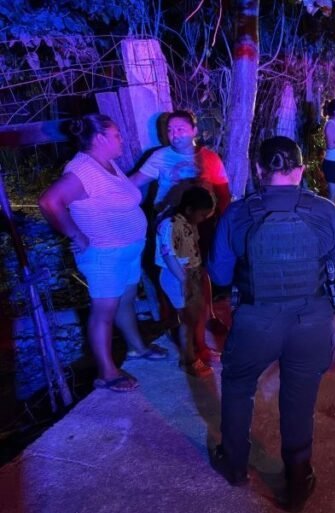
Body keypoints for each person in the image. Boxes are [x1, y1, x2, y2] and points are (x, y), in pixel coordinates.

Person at [208, 137, 335, 510]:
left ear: (259, 171)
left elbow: (220, 273)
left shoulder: (238, 213)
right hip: (312, 323)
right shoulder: (324, 211)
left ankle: (235, 464)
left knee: (239, 386)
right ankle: (297, 477)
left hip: (256, 321)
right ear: (301, 170)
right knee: (298, 397)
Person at [38, 115, 166, 393]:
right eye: (117, 135)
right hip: (104, 255)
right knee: (104, 312)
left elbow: (120, 194)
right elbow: (50, 201)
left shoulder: (106, 164)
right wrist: (75, 235)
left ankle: (137, 347)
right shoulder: (82, 170)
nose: (121, 139)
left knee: (126, 302)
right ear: (99, 139)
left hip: (127, 250)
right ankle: (106, 373)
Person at [132, 110, 231, 359]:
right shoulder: (160, 157)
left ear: (194, 131)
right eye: (170, 130)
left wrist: (225, 221)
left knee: (202, 271)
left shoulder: (209, 158)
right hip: (171, 225)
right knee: (178, 276)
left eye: (180, 129)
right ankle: (183, 327)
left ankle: (207, 317)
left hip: (203, 225)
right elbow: (134, 182)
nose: (174, 134)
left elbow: (223, 193)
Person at [156, 186, 215, 377]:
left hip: (190, 273)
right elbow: (168, 255)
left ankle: (199, 349)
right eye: (202, 215)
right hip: (177, 276)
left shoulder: (187, 222)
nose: (204, 218)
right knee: (187, 320)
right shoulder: (170, 224)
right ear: (189, 209)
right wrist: (184, 280)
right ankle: (188, 360)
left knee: (196, 313)